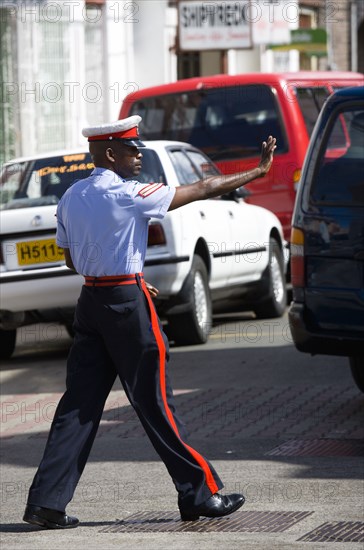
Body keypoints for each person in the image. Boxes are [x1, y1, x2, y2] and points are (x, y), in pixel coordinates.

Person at [23, 115, 276, 529]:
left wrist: (118, 276)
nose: (139, 155)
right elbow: (203, 188)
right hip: (126, 304)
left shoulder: (72, 196)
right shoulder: (130, 194)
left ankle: (45, 503)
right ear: (110, 153)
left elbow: (71, 258)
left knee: (78, 407)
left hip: (92, 300)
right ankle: (199, 494)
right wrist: (259, 170)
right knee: (156, 401)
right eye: (131, 149)